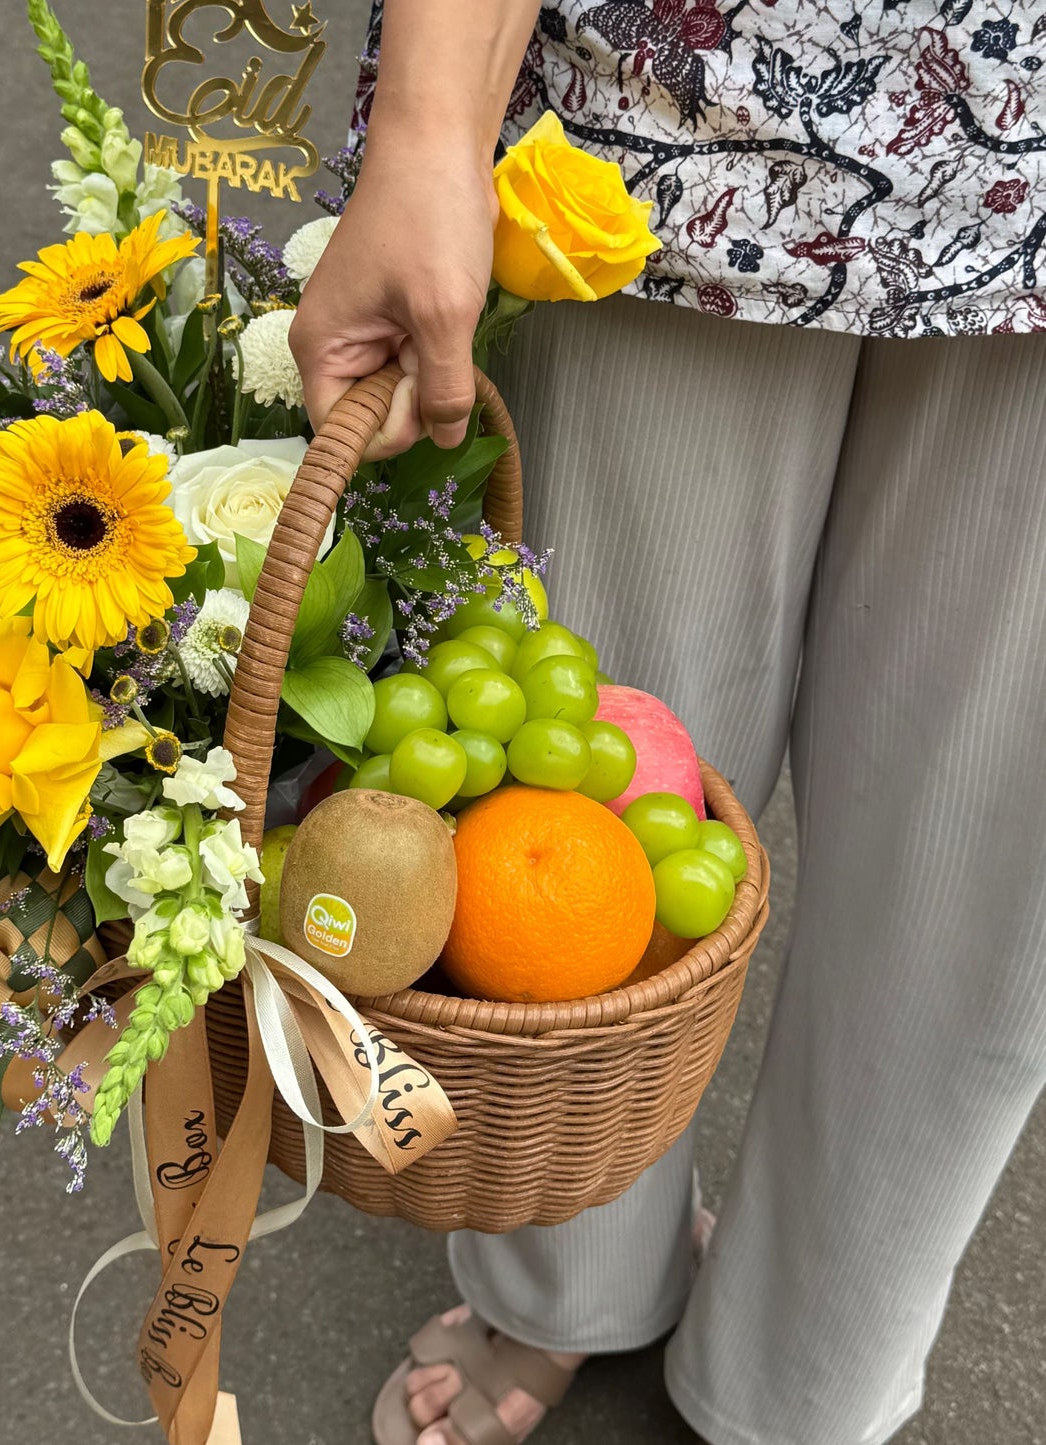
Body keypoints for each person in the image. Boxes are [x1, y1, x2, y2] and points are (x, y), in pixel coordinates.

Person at [289, 2, 1046, 1442]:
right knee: (573, 806)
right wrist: (433, 128)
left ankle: (809, 1379)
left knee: (984, 882)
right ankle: (558, 1275)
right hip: (683, 118)